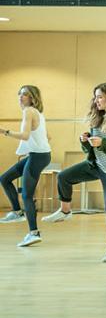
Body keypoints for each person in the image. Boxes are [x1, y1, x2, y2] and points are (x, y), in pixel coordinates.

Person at [42, 83, 106, 263]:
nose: (96, 100)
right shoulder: (97, 119)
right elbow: (90, 152)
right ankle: (65, 210)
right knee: (63, 177)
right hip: (96, 165)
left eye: (100, 97)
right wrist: (85, 142)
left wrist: (103, 143)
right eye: (95, 97)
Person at [0, 85, 52, 247]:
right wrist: (31, 149)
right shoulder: (38, 113)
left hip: (38, 157)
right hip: (39, 155)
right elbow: (47, 136)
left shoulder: (28, 111)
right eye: (20, 94)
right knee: (5, 178)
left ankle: (34, 233)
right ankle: (17, 212)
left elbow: (25, 135)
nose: (21, 97)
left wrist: (3, 131)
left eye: (25, 94)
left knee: (27, 196)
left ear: (32, 97)